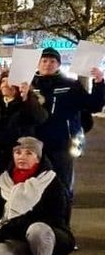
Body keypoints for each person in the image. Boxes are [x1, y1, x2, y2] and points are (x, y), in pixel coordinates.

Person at [30, 47, 104, 216]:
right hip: (34, 147)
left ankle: (62, 228)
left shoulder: (70, 85)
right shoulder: (28, 84)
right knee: (34, 188)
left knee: (62, 188)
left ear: (58, 64)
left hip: (62, 146)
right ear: (38, 63)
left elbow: (94, 105)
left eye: (52, 61)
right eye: (44, 61)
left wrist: (100, 82)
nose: (48, 64)